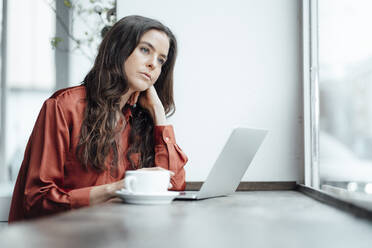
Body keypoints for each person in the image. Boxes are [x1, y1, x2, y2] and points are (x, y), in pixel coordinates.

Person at [8, 15, 188, 223]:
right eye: (145, 50)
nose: (153, 65)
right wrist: (115, 189)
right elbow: (37, 200)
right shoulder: (64, 106)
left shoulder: (141, 119)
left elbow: (174, 186)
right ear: (118, 49)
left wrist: (158, 113)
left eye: (161, 60)